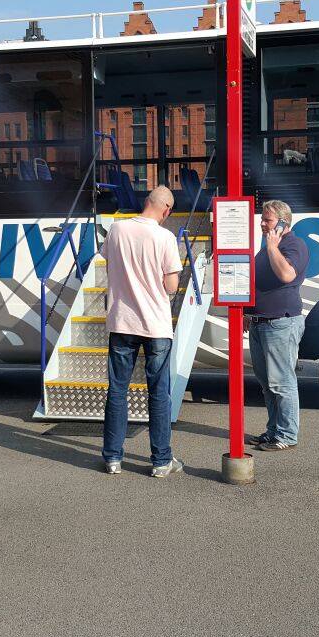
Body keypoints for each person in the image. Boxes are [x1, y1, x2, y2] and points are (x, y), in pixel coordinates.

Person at [100, 185, 184, 477]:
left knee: (117, 391)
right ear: (166, 209)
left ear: (146, 202)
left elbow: (107, 261)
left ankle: (112, 458)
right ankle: (161, 461)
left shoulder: (117, 230)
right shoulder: (165, 237)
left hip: (122, 322)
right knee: (159, 394)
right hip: (156, 325)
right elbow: (171, 285)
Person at [247, 199, 309, 451]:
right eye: (262, 219)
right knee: (267, 384)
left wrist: (272, 246)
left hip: (280, 323)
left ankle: (287, 435)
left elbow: (286, 275)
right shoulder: (269, 246)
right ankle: (273, 431)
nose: (262, 223)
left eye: (267, 220)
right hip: (260, 322)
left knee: (281, 382)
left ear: (283, 223)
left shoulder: (294, 245)